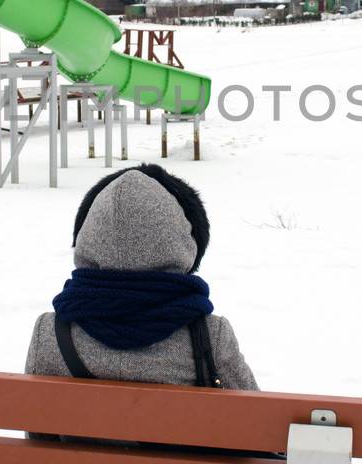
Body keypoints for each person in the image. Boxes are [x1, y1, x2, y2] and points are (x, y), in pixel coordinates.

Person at [25, 163, 258, 391]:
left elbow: (35, 426)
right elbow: (255, 421)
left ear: (86, 239)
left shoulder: (49, 333)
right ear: (183, 243)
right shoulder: (210, 336)